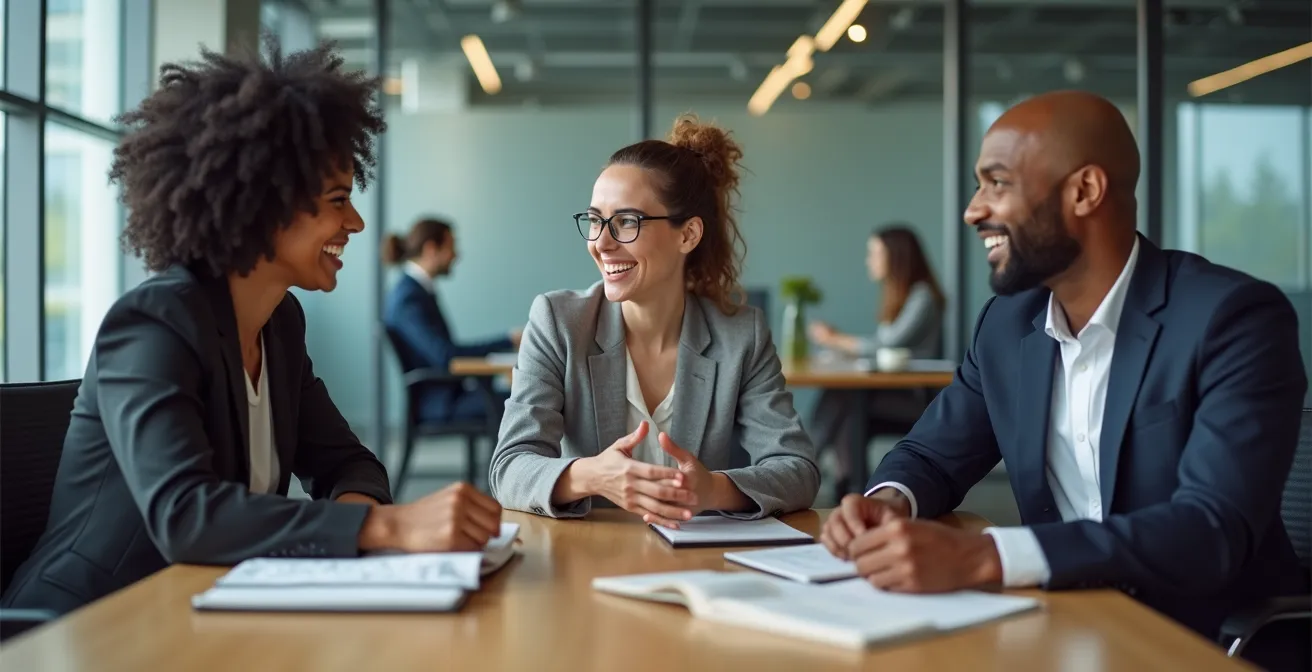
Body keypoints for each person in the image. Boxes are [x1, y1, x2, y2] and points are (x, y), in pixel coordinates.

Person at [0, 40, 502, 617]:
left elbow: (347, 462)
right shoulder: (153, 324)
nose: (356, 222)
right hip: (88, 625)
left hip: (203, 610)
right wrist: (383, 526)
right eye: (338, 199)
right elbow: (186, 515)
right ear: (265, 206)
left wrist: (368, 523)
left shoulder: (279, 323)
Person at [819, 91, 1308, 656]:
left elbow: (1209, 528)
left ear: (1085, 191)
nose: (974, 210)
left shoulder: (1231, 318)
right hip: (1059, 627)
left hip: (1202, 642)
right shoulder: (1007, 325)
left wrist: (987, 556)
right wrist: (890, 501)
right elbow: (931, 456)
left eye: (996, 183)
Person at [489, 115, 820, 526]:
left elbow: (798, 468)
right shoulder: (559, 322)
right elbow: (509, 468)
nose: (601, 243)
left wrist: (712, 489)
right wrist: (593, 475)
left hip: (695, 562)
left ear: (688, 235)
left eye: (627, 221)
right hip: (585, 562)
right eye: (595, 220)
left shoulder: (741, 335)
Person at [807, 225, 946, 496]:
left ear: (895, 257)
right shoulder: (900, 295)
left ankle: (808, 463)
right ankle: (847, 487)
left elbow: (887, 344)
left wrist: (835, 339)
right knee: (846, 412)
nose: (869, 260)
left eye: (874, 252)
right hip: (894, 391)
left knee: (844, 398)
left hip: (917, 397)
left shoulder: (922, 297)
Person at [382, 217, 521, 423]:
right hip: (440, 402)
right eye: (451, 247)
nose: (456, 255)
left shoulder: (417, 291)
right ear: (431, 249)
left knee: (522, 398)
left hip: (449, 395)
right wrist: (508, 340)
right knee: (526, 402)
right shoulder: (409, 298)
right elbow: (446, 355)